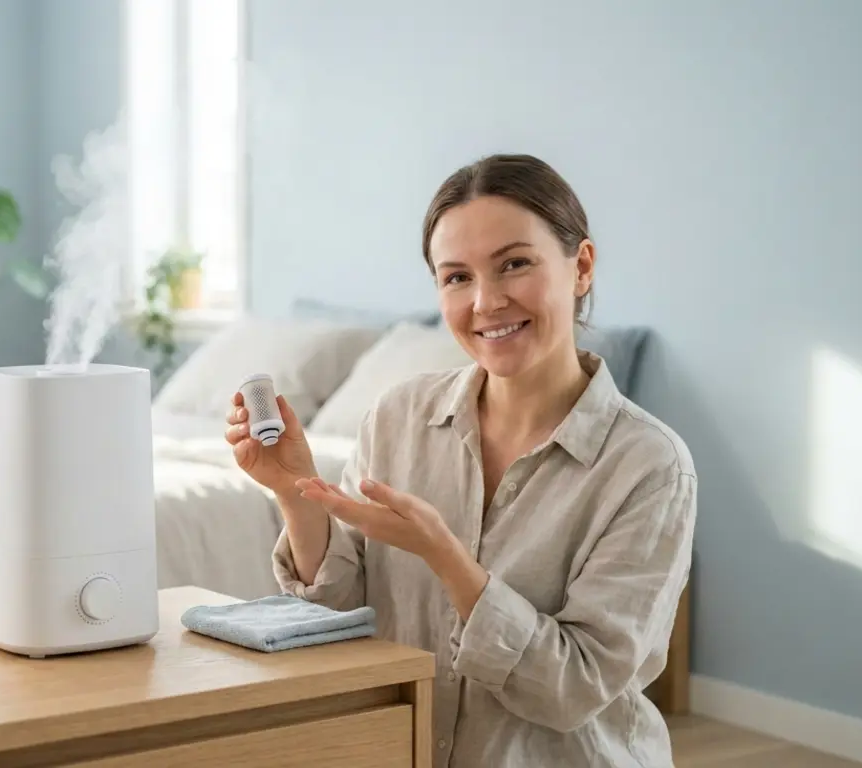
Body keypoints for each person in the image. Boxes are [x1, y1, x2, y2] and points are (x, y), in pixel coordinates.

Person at [225, 153, 696, 767]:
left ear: (580, 267)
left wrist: (446, 557)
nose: (487, 302)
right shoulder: (398, 417)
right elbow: (342, 614)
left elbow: (574, 687)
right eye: (457, 277)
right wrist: (296, 492)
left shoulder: (648, 466)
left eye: (515, 264)